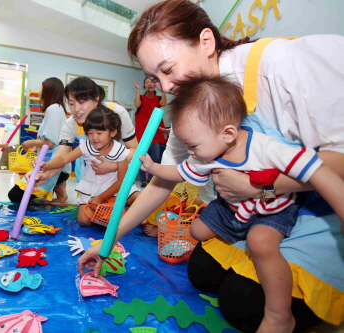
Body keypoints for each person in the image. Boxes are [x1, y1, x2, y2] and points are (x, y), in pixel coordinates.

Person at [78, 1, 344, 332]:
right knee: (201, 272)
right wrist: (107, 242)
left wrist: (261, 184)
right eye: (154, 78)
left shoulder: (277, 65)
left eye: (169, 69)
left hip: (312, 205)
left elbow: (334, 160)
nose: (165, 87)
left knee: (244, 304)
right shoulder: (190, 110)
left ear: (206, 42)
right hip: (247, 208)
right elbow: (164, 182)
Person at [141, 74, 344, 333]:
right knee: (196, 231)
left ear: (227, 133)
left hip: (271, 209)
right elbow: (181, 171)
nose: (190, 152)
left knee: (261, 242)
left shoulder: (266, 147)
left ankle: (279, 314)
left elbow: (318, 170)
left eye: (192, 145)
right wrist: (154, 166)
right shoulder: (206, 151)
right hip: (231, 209)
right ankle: (234, 240)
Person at [30, 76, 138, 196]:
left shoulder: (117, 112)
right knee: (85, 213)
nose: (76, 109)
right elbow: (62, 157)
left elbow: (134, 149)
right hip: (91, 181)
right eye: (71, 103)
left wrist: (114, 165)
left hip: (119, 180)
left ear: (96, 100)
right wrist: (45, 174)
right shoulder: (70, 124)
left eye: (81, 102)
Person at [41, 106, 140, 226]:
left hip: (115, 189)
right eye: (90, 133)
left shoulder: (120, 151)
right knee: (84, 221)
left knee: (141, 200)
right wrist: (47, 165)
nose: (94, 137)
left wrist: (102, 197)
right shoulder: (86, 146)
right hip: (93, 188)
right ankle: (111, 210)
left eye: (99, 133)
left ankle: (115, 207)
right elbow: (64, 158)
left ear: (113, 132)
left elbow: (121, 181)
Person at [8, 77, 71, 203]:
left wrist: (29, 143)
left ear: (48, 90)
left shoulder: (53, 109)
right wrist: (35, 145)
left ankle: (57, 187)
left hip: (55, 166)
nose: (39, 91)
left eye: (41, 87)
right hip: (57, 165)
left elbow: (50, 143)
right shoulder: (57, 109)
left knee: (15, 196)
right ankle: (58, 189)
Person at [133, 77, 167, 187]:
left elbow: (164, 103)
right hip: (142, 134)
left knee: (156, 157)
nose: (149, 84)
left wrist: (163, 89)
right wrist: (138, 89)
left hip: (156, 133)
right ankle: (143, 180)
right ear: (144, 86)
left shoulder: (159, 98)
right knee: (141, 156)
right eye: (146, 82)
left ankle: (152, 179)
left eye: (152, 82)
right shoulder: (141, 98)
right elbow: (137, 105)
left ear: (155, 85)